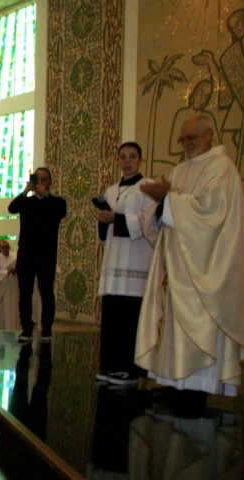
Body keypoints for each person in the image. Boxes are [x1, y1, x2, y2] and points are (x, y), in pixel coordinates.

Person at [136, 114, 244, 407]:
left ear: (209, 135)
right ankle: (175, 382)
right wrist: (159, 205)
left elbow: (212, 213)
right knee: (174, 328)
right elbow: (165, 216)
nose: (186, 143)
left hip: (205, 267)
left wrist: (169, 200)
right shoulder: (179, 171)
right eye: (183, 139)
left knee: (199, 327)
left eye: (192, 138)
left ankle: (198, 387)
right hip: (176, 267)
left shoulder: (221, 168)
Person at [95, 142, 155, 386]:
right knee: (111, 317)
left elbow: (149, 222)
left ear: (140, 159)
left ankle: (128, 370)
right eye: (123, 157)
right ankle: (110, 365)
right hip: (113, 261)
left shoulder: (148, 188)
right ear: (117, 160)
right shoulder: (111, 191)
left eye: (132, 156)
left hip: (135, 262)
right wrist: (103, 219)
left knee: (129, 319)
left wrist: (117, 218)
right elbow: (103, 234)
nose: (127, 161)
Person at [8, 167, 67, 343]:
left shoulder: (56, 202)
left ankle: (46, 329)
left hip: (46, 255)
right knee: (25, 293)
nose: (39, 182)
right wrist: (25, 191)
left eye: (43, 179)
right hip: (26, 254)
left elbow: (61, 212)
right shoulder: (26, 202)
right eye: (36, 179)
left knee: (46, 292)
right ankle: (26, 328)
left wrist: (45, 195)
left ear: (50, 182)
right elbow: (12, 208)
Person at [0, 240, 19, 331]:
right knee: (3, 312)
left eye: (7, 247)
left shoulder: (14, 256)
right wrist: (7, 272)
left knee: (13, 310)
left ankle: (13, 329)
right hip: (2, 290)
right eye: (3, 247)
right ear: (0, 248)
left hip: (13, 287)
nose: (5, 249)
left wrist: (15, 271)